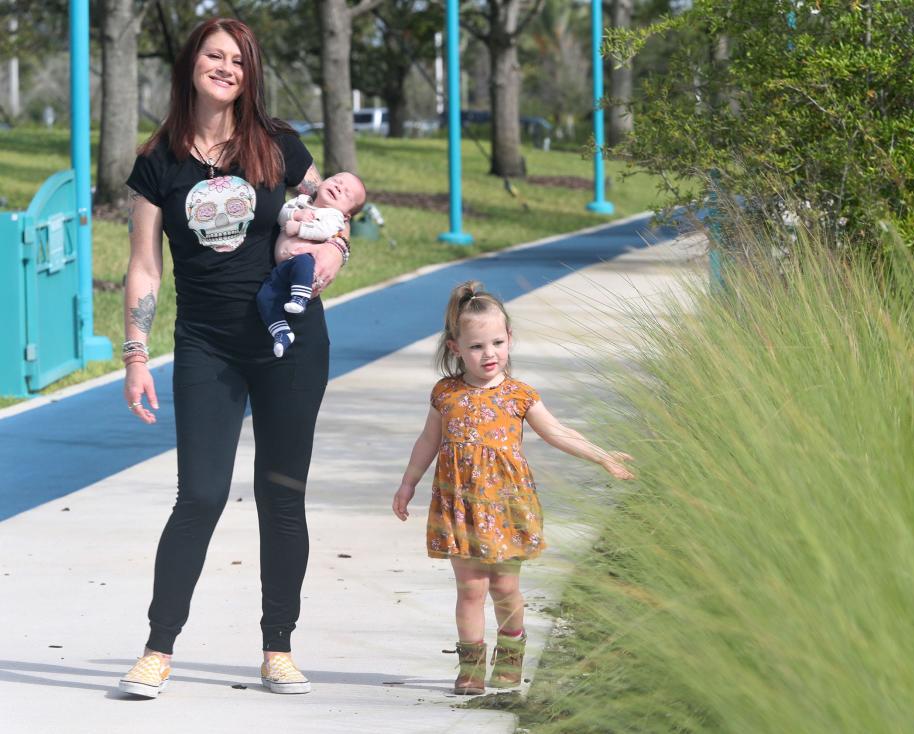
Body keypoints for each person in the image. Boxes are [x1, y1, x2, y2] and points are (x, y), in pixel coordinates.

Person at [118, 17, 349, 698]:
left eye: (238, 61)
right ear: (192, 63)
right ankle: (159, 649)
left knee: (283, 496)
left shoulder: (277, 146)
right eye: (214, 56)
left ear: (250, 74)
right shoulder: (158, 161)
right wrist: (136, 356)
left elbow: (329, 216)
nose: (225, 68)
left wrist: (335, 250)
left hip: (290, 342)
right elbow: (142, 268)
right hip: (207, 344)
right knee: (200, 494)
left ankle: (278, 646)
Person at [391, 281, 634, 696]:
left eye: (498, 343)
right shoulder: (445, 394)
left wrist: (602, 455)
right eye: (477, 346)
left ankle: (510, 654)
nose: (489, 354)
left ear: (510, 340)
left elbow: (557, 432)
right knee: (470, 588)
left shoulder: (519, 395)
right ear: (455, 348)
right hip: (461, 506)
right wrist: (408, 482)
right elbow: (428, 441)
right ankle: (470, 666)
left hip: (506, 507)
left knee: (504, 587)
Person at [258, 172, 365, 357]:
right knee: (265, 297)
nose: (339, 187)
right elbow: (282, 214)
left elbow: (325, 231)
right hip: (282, 269)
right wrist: (297, 214)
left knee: (304, 261)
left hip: (301, 262)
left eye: (346, 193)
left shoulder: (333, 216)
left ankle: (300, 297)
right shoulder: (301, 201)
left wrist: (300, 228)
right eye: (336, 181)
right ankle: (281, 333)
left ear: (347, 215)